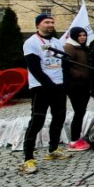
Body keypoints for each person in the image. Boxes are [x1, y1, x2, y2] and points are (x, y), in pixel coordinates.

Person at [22, 14, 70, 174]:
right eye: (46, 22)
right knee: (37, 120)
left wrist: (64, 84)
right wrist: (49, 85)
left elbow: (63, 64)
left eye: (52, 22)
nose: (50, 25)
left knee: (59, 118)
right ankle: (28, 158)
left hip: (59, 86)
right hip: (41, 87)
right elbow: (34, 68)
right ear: (38, 25)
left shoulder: (57, 42)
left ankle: (53, 149)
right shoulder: (31, 43)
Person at [63, 27, 91, 151]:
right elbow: (67, 66)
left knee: (82, 111)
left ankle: (77, 137)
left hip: (85, 84)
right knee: (79, 112)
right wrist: (79, 75)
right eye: (80, 35)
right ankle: (74, 140)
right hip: (75, 86)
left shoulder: (83, 47)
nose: (82, 37)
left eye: (84, 35)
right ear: (74, 36)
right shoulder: (70, 47)